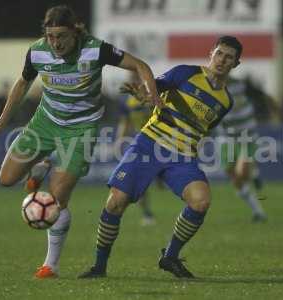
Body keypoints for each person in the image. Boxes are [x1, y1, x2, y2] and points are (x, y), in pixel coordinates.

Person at [0, 5, 161, 279]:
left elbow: (140, 65)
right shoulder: (37, 51)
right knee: (5, 179)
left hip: (81, 130)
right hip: (45, 122)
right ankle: (41, 165)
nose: (56, 43)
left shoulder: (95, 49)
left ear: (76, 32)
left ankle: (50, 265)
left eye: (62, 36)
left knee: (57, 201)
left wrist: (155, 98)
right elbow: (22, 84)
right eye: (51, 36)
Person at [79, 36, 243, 279]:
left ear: (236, 64)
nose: (222, 60)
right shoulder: (185, 73)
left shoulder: (225, 101)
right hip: (150, 144)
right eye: (219, 53)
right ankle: (99, 266)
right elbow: (156, 85)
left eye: (229, 57)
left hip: (183, 156)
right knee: (115, 202)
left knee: (201, 201)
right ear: (211, 53)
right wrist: (148, 95)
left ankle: (170, 256)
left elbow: (206, 128)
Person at [218, 77, 267, 222]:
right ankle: (258, 212)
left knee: (242, 172)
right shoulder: (212, 91)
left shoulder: (237, 86)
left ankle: (255, 173)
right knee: (233, 176)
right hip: (227, 137)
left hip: (247, 136)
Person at [116, 73, 158, 226]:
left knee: (161, 179)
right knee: (138, 179)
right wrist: (120, 140)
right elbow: (124, 121)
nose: (134, 80)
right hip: (140, 141)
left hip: (160, 140)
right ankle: (147, 213)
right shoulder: (125, 100)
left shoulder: (152, 93)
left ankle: (160, 179)